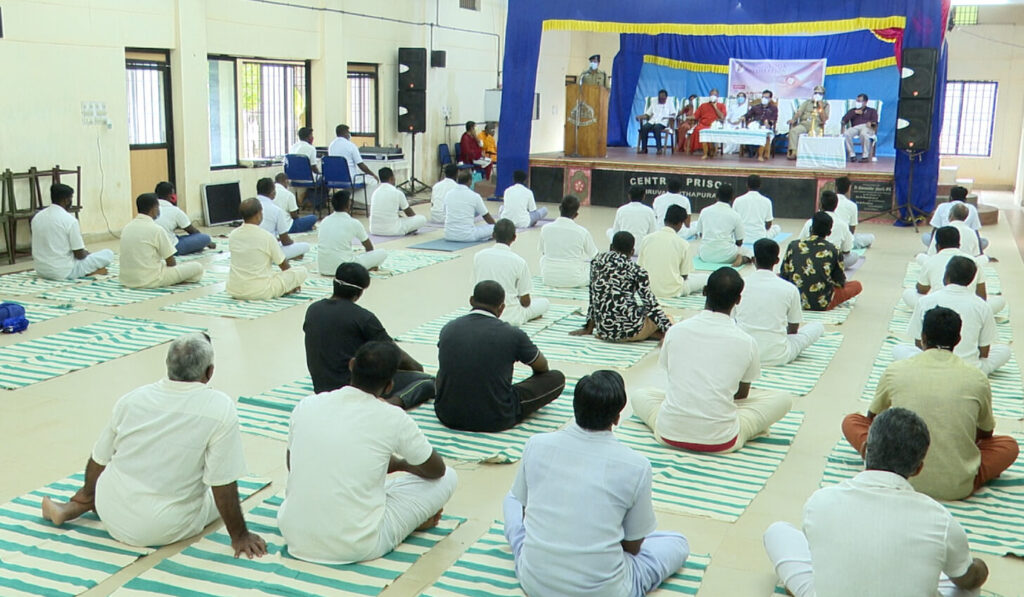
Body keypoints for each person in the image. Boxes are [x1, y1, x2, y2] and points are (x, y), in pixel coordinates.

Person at [41, 333, 267, 559]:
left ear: (168, 366)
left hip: (109, 509)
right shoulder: (220, 408)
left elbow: (99, 459)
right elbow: (222, 483)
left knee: (119, 465)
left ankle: (78, 504)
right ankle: (81, 504)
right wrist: (240, 535)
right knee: (214, 496)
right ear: (209, 372)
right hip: (159, 527)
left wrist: (87, 495)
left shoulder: (132, 398)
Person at [764, 408, 991, 597]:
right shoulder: (939, 519)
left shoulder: (820, 501)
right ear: (919, 468)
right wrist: (978, 568)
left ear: (865, 451)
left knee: (777, 532)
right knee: (962, 584)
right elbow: (968, 579)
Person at [503, 370, 690, 597]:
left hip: (535, 581)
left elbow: (525, 517)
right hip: (605, 590)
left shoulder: (536, 444)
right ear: (617, 417)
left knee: (512, 500)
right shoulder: (636, 465)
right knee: (676, 542)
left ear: (575, 407)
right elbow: (633, 546)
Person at [279, 341, 457, 565]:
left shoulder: (307, 404)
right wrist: (400, 464)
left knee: (351, 480)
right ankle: (410, 523)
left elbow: (292, 465)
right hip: (356, 546)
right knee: (450, 476)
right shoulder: (392, 417)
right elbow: (436, 470)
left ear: (352, 365)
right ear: (390, 385)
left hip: (295, 535)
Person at [849, 306, 1019, 500]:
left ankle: (875, 459)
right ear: (958, 340)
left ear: (923, 337)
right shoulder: (977, 378)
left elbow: (873, 420)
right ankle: (959, 472)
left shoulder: (896, 370)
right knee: (1008, 446)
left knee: (852, 421)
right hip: (956, 486)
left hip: (897, 473)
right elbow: (986, 433)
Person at [632, 267, 793, 453]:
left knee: (641, 394)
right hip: (721, 440)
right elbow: (741, 395)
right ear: (738, 300)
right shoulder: (746, 341)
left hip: (668, 432)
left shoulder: (675, 331)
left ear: (705, 291)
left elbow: (672, 376)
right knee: (783, 399)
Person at [435, 281, 566, 432]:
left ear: (471, 300)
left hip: (448, 414)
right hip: (496, 417)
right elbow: (542, 366)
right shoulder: (512, 334)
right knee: (556, 378)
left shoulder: (449, 328)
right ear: (502, 307)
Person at [304, 263, 434, 407]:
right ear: (359, 293)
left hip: (322, 387)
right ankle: (393, 403)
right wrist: (417, 368)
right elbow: (393, 353)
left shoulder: (313, 310)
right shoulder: (363, 317)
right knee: (427, 382)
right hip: (354, 387)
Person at [896, 257, 1011, 376]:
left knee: (899, 349)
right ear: (971, 280)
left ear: (946, 276)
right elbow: (984, 352)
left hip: (928, 365)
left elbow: (919, 343)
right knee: (1004, 351)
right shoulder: (982, 306)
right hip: (969, 369)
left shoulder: (925, 301)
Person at [735, 239, 824, 366]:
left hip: (743, 354)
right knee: (817, 326)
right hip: (777, 355)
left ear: (754, 260)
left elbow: (733, 321)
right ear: (777, 261)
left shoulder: (740, 284)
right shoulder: (789, 288)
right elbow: (793, 329)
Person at [572, 232, 673, 343]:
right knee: (666, 317)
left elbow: (594, 298)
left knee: (636, 310)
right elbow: (650, 305)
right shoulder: (637, 271)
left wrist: (589, 328)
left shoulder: (596, 263)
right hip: (630, 330)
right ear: (632, 252)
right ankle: (658, 335)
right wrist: (671, 330)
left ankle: (647, 334)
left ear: (611, 247)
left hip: (604, 331)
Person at [903, 226, 1004, 313]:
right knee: (999, 301)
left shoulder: (930, 261)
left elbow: (922, 290)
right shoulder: (972, 261)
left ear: (937, 246)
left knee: (908, 294)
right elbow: (982, 297)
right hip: (969, 310)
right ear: (959, 244)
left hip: (936, 310)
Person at [225, 198, 307, 300]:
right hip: (260, 291)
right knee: (301, 271)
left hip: (234, 290)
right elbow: (283, 265)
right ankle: (286, 288)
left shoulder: (233, 235)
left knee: (271, 274)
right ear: (258, 214)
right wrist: (293, 282)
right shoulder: (266, 237)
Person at [119, 193, 205, 289]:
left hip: (126, 280)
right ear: (153, 209)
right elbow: (171, 263)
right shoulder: (156, 229)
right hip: (150, 280)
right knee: (197, 267)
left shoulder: (127, 227)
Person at [474, 219, 550, 326]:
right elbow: (525, 302)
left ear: (493, 235)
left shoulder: (479, 256)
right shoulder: (519, 262)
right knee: (544, 303)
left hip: (483, 313)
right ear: (514, 237)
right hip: (511, 316)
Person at [31, 183, 114, 280]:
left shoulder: (37, 217)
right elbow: (80, 255)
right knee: (108, 254)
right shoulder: (70, 220)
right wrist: (87, 253)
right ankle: (91, 272)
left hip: (41, 270)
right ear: (66, 200)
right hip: (62, 272)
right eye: (71, 198)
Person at [782, 212, 863, 311]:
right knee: (856, 285)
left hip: (793, 301)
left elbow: (784, 275)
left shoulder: (793, 245)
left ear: (811, 228)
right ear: (829, 233)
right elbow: (839, 281)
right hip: (822, 303)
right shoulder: (834, 249)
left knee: (774, 277)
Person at [638, 205, 707, 299]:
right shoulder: (683, 244)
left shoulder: (646, 239)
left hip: (647, 289)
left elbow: (640, 268)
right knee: (704, 278)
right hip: (673, 291)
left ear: (664, 220)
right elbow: (684, 276)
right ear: (680, 224)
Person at [317, 190, 388, 274]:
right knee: (382, 252)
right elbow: (369, 248)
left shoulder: (324, 221)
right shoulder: (353, 222)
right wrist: (370, 262)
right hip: (345, 270)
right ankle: (364, 268)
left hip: (323, 269)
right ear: (348, 205)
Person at [538, 195, 599, 288]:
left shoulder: (545, 228)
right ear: (576, 215)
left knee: (543, 259)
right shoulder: (582, 232)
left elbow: (543, 252)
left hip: (548, 279)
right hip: (574, 280)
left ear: (560, 208)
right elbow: (595, 257)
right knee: (592, 266)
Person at [693, 184, 751, 267]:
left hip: (705, 255)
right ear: (732, 198)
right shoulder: (735, 215)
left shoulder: (705, 211)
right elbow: (739, 241)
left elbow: (701, 234)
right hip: (727, 255)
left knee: (701, 247)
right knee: (749, 252)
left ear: (716, 196)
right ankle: (741, 259)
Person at [256, 177, 311, 260]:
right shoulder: (276, 210)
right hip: (268, 250)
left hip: (252, 248)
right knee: (305, 246)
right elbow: (285, 241)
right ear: (272, 192)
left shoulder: (250, 205)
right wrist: (291, 242)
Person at [799, 190, 856, 269]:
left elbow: (800, 242)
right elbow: (847, 250)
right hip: (830, 263)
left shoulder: (810, 222)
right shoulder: (842, 224)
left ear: (820, 205)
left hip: (809, 261)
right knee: (853, 256)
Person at [154, 181, 214, 255]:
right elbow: (192, 231)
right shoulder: (175, 210)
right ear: (172, 196)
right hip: (172, 249)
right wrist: (208, 243)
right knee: (205, 238)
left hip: (154, 247)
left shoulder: (151, 208)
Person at [327, 124, 380, 203]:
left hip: (335, 179)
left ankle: (349, 201)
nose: (349, 134)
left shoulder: (331, 145)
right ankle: (363, 204)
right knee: (373, 181)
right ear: (345, 133)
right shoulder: (351, 146)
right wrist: (372, 174)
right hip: (350, 178)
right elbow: (361, 165)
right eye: (348, 132)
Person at [923, 186, 987, 251]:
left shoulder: (942, 206)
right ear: (965, 199)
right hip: (964, 243)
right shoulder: (972, 208)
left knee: (925, 236)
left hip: (943, 242)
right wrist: (980, 252)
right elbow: (975, 231)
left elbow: (935, 228)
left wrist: (930, 249)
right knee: (984, 241)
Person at [368, 167, 426, 236]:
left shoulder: (375, 193)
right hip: (393, 230)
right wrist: (414, 223)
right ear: (391, 178)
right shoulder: (397, 192)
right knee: (422, 219)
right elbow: (409, 213)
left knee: (400, 219)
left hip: (374, 230)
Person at [444, 171, 496, 241]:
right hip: (468, 236)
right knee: (493, 228)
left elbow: (445, 211)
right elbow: (486, 216)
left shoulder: (448, 194)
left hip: (448, 235)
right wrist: (496, 227)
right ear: (470, 181)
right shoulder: (474, 196)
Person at [733, 174, 781, 242]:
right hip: (760, 237)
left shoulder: (738, 200)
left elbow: (734, 222)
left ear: (747, 184)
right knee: (777, 228)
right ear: (760, 185)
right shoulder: (766, 201)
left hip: (742, 237)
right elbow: (768, 225)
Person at [787, 85, 829, 159]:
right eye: (816, 93)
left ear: (823, 95)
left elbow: (824, 119)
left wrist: (821, 107)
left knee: (817, 134)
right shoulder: (807, 102)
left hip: (816, 125)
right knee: (794, 131)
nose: (817, 95)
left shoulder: (826, 105)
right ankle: (794, 151)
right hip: (804, 124)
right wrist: (793, 119)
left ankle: (813, 154)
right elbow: (799, 112)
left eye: (820, 94)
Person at [834, 176, 874, 249]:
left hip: (827, 239)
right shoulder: (852, 205)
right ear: (849, 189)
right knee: (870, 237)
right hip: (844, 241)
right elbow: (851, 230)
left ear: (835, 188)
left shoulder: (828, 201)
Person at [841, 94, 879, 162]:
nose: (857, 103)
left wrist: (871, 123)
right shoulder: (852, 111)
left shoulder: (872, 111)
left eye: (859, 101)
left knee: (864, 134)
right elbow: (844, 119)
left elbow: (875, 122)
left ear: (865, 102)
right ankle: (852, 155)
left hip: (866, 127)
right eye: (857, 101)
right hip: (855, 127)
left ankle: (865, 156)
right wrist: (854, 113)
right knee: (846, 134)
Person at [636, 89, 675, 155]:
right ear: (658, 97)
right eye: (660, 97)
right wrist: (640, 117)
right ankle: (644, 148)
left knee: (656, 128)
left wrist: (669, 118)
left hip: (663, 122)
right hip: (653, 121)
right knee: (644, 128)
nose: (662, 99)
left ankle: (659, 149)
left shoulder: (670, 103)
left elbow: (673, 114)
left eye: (663, 97)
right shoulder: (654, 102)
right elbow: (648, 114)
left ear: (666, 97)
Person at [690, 89, 727, 158]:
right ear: (709, 96)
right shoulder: (703, 105)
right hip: (703, 124)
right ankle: (704, 150)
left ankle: (710, 149)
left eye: (715, 95)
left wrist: (715, 106)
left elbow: (722, 117)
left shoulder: (722, 105)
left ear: (717, 96)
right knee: (697, 129)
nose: (713, 96)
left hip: (714, 125)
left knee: (709, 131)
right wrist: (688, 117)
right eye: (711, 95)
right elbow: (695, 116)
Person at [743, 89, 778, 161]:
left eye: (766, 97)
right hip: (755, 125)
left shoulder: (773, 108)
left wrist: (768, 122)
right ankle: (751, 151)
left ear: (770, 99)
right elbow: (748, 115)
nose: (764, 99)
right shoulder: (756, 107)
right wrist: (742, 117)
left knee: (763, 134)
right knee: (749, 129)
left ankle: (760, 155)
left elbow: (774, 119)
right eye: (763, 97)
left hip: (766, 126)